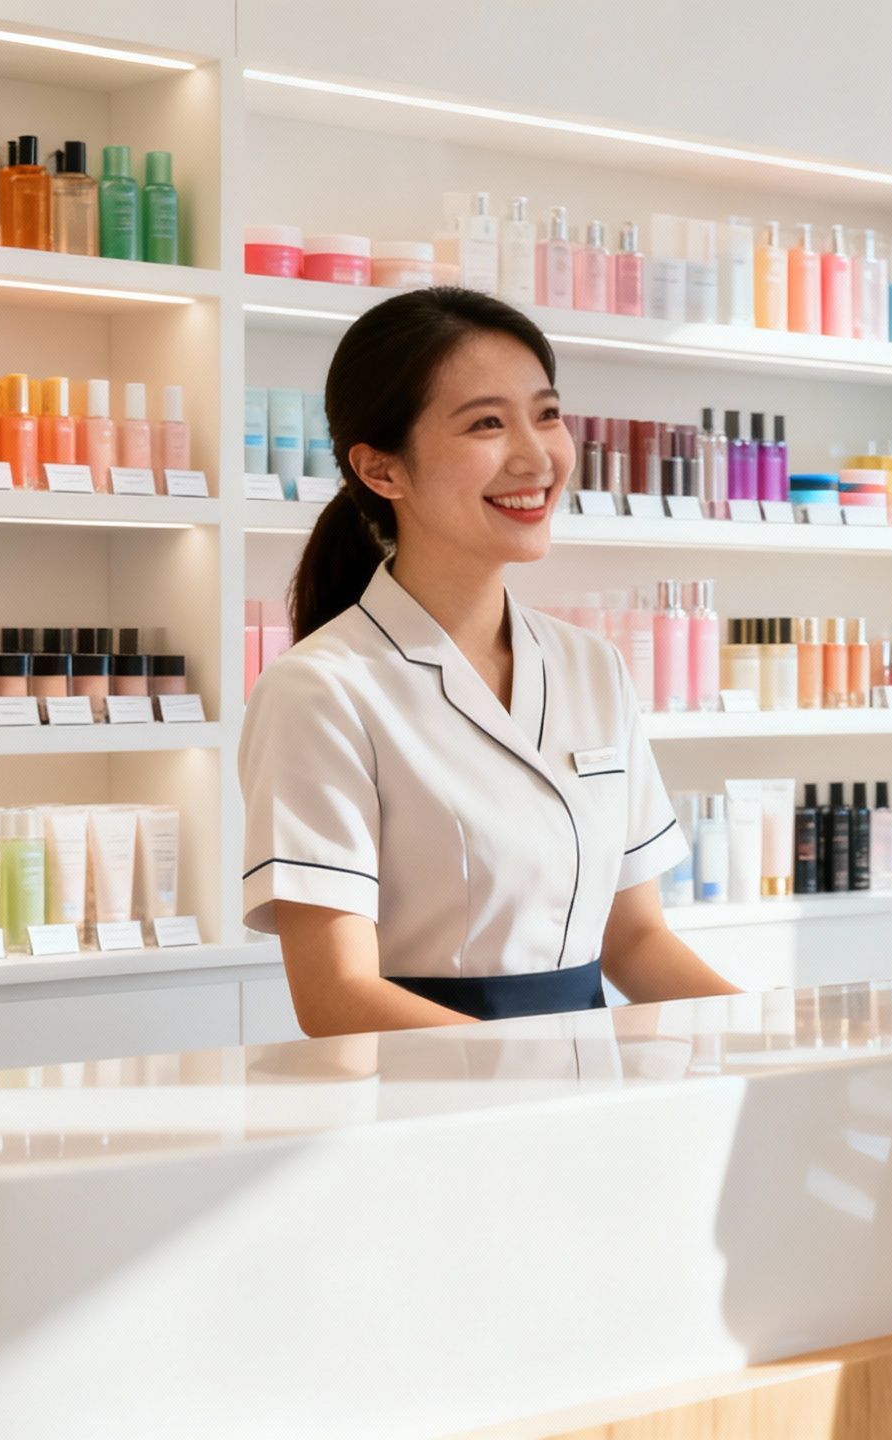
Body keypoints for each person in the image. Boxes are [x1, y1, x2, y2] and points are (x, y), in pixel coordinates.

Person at [239, 288, 737, 1034]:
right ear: (382, 470)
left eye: (546, 414)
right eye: (486, 424)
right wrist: (538, 1081)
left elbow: (634, 940)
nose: (537, 457)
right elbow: (336, 996)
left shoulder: (592, 667)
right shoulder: (321, 689)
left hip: (584, 1096)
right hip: (426, 1102)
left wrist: (776, 1037)